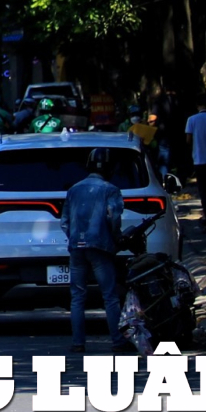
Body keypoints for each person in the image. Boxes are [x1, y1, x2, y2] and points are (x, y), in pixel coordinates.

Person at [63, 146, 130, 354]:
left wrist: (76, 238)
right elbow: (113, 217)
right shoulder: (111, 190)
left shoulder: (74, 190)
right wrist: (116, 238)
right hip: (100, 246)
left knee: (77, 297)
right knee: (109, 295)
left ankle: (78, 343)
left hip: (76, 247)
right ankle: (117, 341)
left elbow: (65, 222)